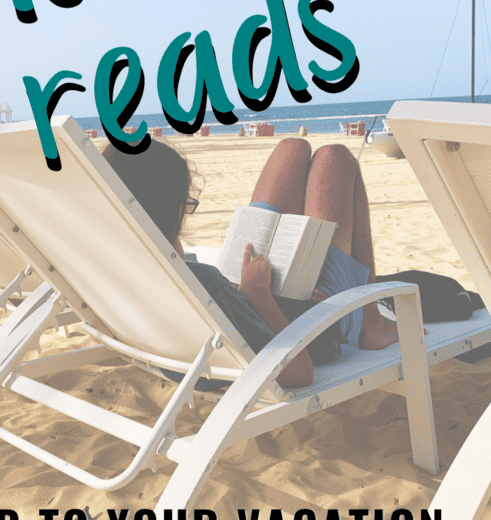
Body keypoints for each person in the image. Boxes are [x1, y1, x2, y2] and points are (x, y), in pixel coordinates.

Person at [101, 136, 398, 389]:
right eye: (185, 206)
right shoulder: (199, 282)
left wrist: (241, 291)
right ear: (169, 212)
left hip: (238, 298)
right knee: (336, 158)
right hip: (307, 323)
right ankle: (370, 322)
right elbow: (298, 371)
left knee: (292, 148)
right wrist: (257, 295)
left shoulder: (112, 264)